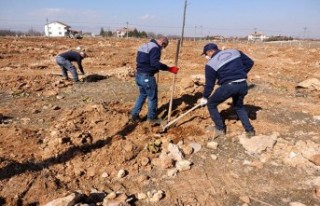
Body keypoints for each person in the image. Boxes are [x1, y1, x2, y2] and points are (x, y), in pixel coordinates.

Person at [198, 43, 255, 138]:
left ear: (210, 52)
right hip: (243, 84)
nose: (207, 57)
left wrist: (205, 97)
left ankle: (220, 128)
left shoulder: (210, 64)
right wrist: (239, 74)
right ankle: (250, 131)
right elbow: (250, 63)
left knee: (211, 104)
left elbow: (209, 84)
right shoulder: (235, 52)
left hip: (229, 87)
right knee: (239, 107)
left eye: (206, 54)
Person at [131, 36, 179, 124]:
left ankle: (134, 115)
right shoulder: (155, 48)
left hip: (139, 75)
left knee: (142, 94)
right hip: (147, 77)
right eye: (163, 47)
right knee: (152, 98)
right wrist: (169, 68)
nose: (162, 49)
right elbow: (155, 63)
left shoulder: (146, 45)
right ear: (163, 43)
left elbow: (144, 61)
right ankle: (151, 118)